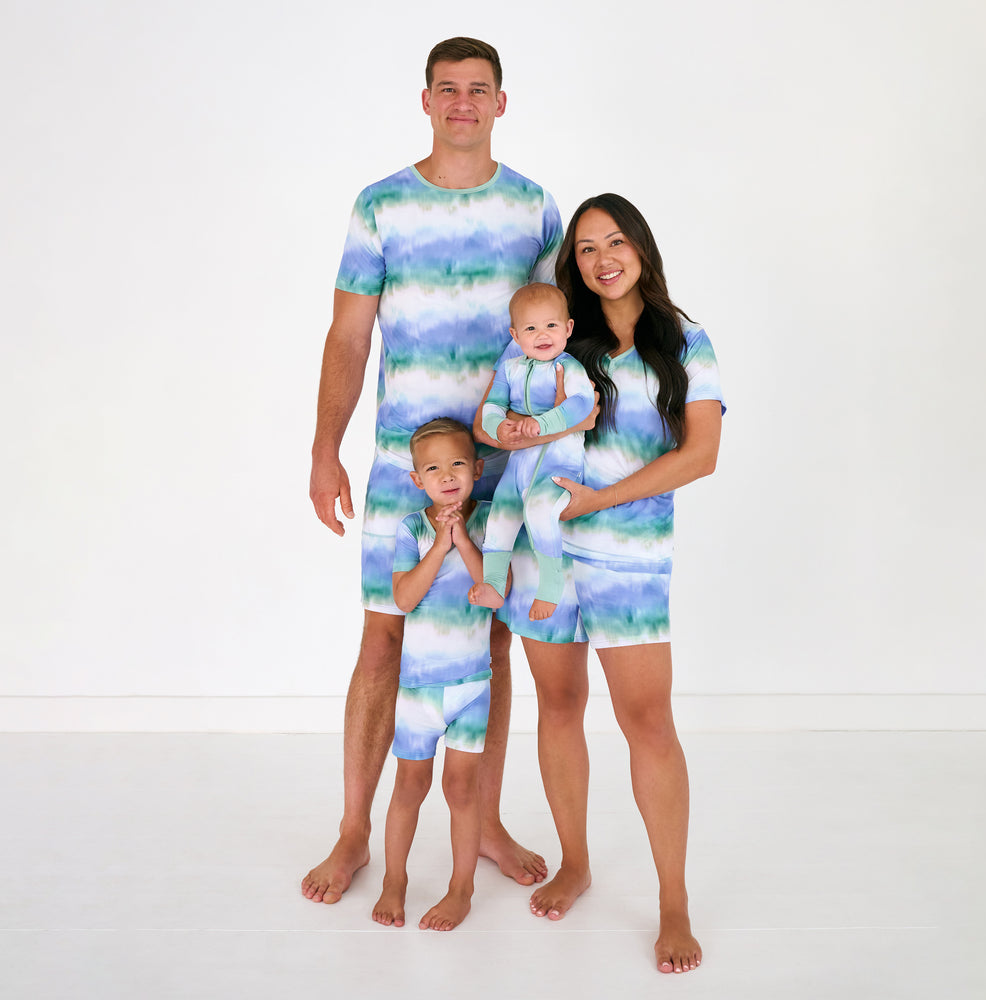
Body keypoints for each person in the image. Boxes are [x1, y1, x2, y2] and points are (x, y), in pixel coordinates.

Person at [303, 36, 566, 905]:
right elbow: (348, 335)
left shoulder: (533, 208)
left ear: (501, 102)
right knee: (384, 638)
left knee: (488, 641)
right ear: (425, 101)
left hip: (503, 467)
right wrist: (322, 448)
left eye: (477, 90)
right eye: (447, 90)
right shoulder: (380, 205)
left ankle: (480, 820)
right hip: (398, 468)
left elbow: (561, 330)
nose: (462, 103)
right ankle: (353, 832)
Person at [477, 193, 724, 974]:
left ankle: (673, 902)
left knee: (647, 722)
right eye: (585, 248)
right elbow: (498, 416)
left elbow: (701, 454)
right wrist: (504, 430)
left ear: (642, 248)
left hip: (629, 558)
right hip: (544, 558)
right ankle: (575, 861)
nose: (601, 258)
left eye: (614, 241)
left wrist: (601, 500)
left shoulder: (685, 339)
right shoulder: (556, 340)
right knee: (558, 704)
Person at [372, 419, 497, 931]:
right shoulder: (410, 528)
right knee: (409, 786)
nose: (447, 475)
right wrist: (439, 546)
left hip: (471, 687)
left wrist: (462, 538)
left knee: (462, 791)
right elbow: (403, 598)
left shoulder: (489, 520)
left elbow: (494, 584)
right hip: (419, 691)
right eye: (433, 468)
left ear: (477, 469)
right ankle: (394, 880)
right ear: (417, 480)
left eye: (458, 464)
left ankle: (461, 888)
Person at [470, 283, 593, 621]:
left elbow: (582, 404)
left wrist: (543, 423)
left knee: (539, 512)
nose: (542, 335)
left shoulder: (569, 368)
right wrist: (499, 426)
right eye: (531, 328)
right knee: (500, 517)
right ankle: (494, 583)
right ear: (516, 335)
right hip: (519, 467)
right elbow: (492, 405)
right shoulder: (511, 369)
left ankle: (550, 587)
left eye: (551, 325)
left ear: (568, 328)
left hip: (558, 465)